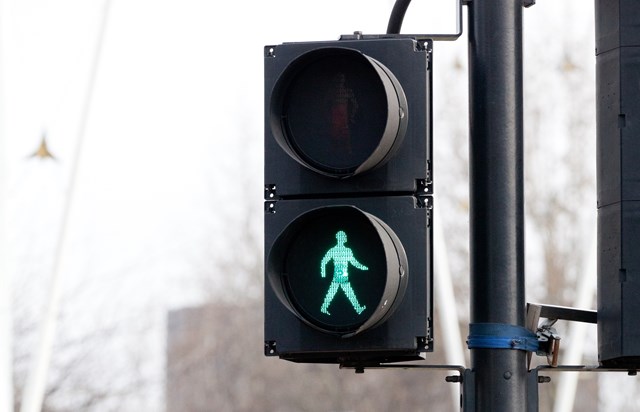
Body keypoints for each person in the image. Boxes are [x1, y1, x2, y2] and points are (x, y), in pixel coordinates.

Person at [320, 230, 368, 316]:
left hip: (341, 276)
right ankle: (358, 309)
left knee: (336, 293)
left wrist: (362, 267)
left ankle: (324, 308)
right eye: (344, 236)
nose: (345, 237)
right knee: (348, 293)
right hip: (341, 277)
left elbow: (354, 262)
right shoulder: (338, 250)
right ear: (341, 238)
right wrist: (323, 274)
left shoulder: (339, 250)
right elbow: (323, 261)